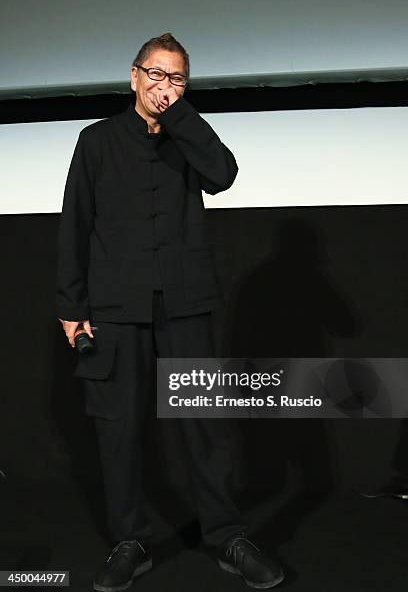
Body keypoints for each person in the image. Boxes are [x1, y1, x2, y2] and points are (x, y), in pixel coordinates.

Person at [56, 32, 284, 591]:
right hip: (115, 306)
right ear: (134, 76)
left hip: (185, 304)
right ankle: (130, 540)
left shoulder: (188, 135)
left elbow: (224, 175)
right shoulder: (97, 141)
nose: (164, 86)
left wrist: (181, 116)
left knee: (203, 425)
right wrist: (71, 305)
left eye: (176, 78)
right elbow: (74, 222)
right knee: (120, 431)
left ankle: (227, 535)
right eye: (156, 75)